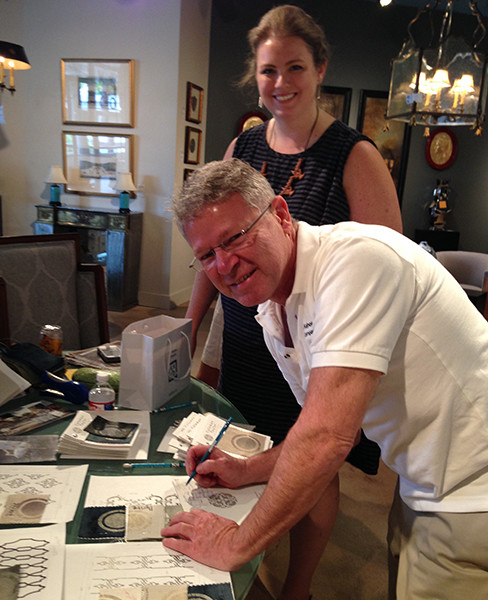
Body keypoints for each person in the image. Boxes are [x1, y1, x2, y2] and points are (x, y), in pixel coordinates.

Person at [162, 159, 488, 600]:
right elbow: (328, 431)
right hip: (423, 476)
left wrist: (233, 544)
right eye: (206, 255)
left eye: (236, 237)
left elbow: (326, 439)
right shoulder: (274, 311)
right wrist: (246, 470)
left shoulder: (356, 260)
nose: (224, 264)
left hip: (471, 486)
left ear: (280, 214)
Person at [186, 4, 402, 447]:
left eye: (295, 67)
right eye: (269, 70)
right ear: (256, 77)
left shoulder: (356, 157)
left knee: (310, 454)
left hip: (315, 351)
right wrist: (189, 325)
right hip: (244, 343)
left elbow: (388, 274)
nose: (281, 82)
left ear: (320, 69)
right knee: (241, 449)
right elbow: (212, 249)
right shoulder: (241, 148)